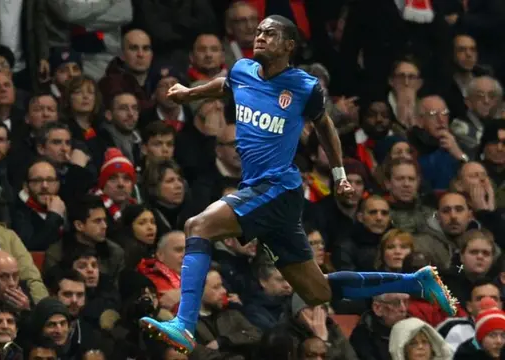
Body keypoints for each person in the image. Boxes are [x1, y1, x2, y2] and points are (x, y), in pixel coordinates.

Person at [139, 15, 458, 355]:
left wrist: (339, 176)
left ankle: (184, 326)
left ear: (289, 45)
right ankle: (416, 282)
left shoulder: (304, 87)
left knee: (196, 225)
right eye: (259, 32)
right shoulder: (241, 70)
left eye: (270, 33)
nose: (260, 37)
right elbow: (223, 84)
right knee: (317, 292)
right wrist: (190, 94)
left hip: (278, 186)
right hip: (265, 192)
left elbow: (325, 127)